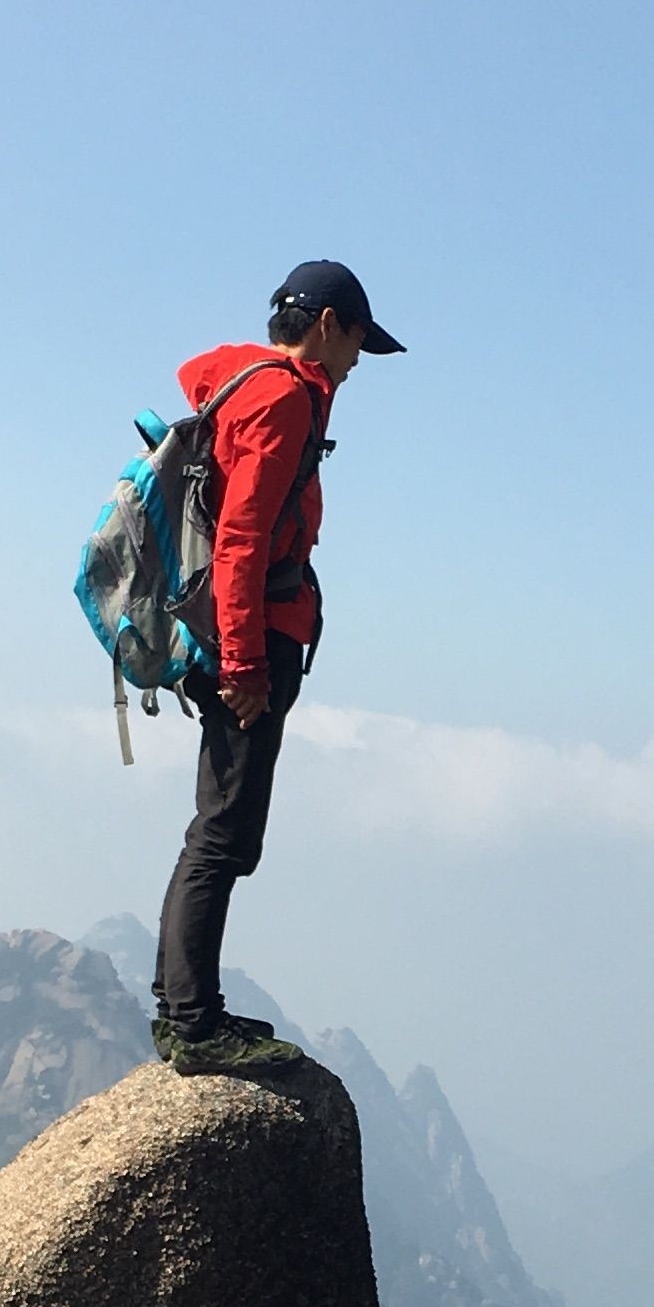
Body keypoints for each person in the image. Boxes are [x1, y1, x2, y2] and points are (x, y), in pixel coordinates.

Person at [152, 257, 403, 1075]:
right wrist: (244, 666)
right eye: (357, 341)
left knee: (221, 832)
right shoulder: (283, 398)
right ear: (328, 326)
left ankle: (187, 1008)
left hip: (233, 631)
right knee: (222, 836)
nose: (357, 362)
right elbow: (243, 538)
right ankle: (193, 1026)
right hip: (251, 638)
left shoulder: (237, 379)